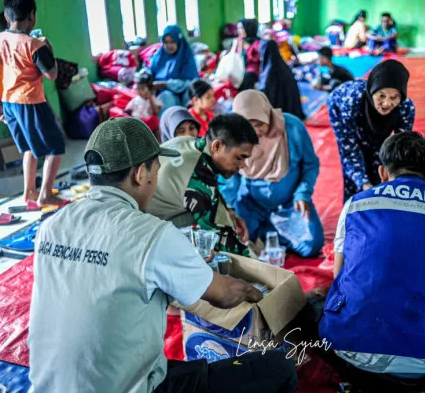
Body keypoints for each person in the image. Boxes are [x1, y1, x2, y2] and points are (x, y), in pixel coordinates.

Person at [27, 117, 297, 393]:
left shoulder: (51, 226)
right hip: (130, 387)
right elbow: (224, 295)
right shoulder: (152, 235)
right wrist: (259, 292)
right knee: (278, 368)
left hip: (47, 386)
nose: (157, 179)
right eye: (156, 171)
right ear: (140, 173)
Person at [302, 132, 425, 391]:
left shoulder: (355, 206)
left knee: (312, 304)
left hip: (351, 357)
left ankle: (353, 379)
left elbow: (340, 276)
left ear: (382, 173)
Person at [220, 90, 324, 258]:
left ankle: (268, 229)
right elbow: (228, 179)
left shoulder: (291, 127)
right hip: (251, 204)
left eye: (260, 124)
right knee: (236, 238)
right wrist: (229, 210)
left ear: (268, 115)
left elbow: (310, 164)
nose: (255, 132)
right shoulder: (234, 137)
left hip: (289, 203)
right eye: (248, 126)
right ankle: (270, 229)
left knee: (311, 244)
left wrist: (302, 194)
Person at [0, 0, 65, 207]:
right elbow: (52, 74)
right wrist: (49, 49)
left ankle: (29, 192)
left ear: (6, 16)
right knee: (56, 146)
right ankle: (45, 194)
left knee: (29, 148)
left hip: (8, 103)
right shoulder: (34, 45)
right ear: (32, 16)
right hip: (31, 103)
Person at [148, 113, 258, 257]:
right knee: (213, 248)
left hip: (152, 219)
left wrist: (229, 211)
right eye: (239, 157)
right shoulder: (197, 174)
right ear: (217, 146)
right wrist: (265, 272)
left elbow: (208, 187)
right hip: (150, 240)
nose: (243, 165)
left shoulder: (189, 143)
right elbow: (223, 241)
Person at [328, 59, 415, 201]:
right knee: (355, 176)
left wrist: (396, 180)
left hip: (376, 125)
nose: (387, 103)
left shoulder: (406, 108)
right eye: (381, 96)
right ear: (372, 92)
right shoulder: (351, 103)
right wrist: (365, 185)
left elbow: (400, 147)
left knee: (378, 161)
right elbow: (350, 151)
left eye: (394, 97)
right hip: (339, 108)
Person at [148, 25, 199, 112]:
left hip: (182, 95)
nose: (169, 46)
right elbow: (149, 71)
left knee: (170, 98)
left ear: (179, 41)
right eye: (166, 42)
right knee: (164, 97)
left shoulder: (186, 57)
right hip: (162, 92)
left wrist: (166, 84)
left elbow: (190, 83)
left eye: (172, 42)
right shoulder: (159, 56)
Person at [259, 39, 305, 120]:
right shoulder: (283, 66)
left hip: (280, 114)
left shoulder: (270, 71)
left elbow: (266, 93)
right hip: (293, 113)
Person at [125, 69, 163, 135]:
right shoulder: (135, 99)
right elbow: (127, 110)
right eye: (138, 89)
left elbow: (156, 112)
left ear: (149, 89)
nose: (140, 91)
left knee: (155, 120)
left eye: (142, 89)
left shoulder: (154, 99)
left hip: (146, 123)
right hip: (135, 121)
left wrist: (150, 99)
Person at [237, 18, 261, 92]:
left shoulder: (259, 42)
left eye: (241, 28)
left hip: (253, 69)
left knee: (247, 76)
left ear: (248, 28)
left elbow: (257, 59)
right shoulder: (239, 40)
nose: (239, 31)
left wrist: (248, 48)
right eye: (238, 28)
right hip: (239, 67)